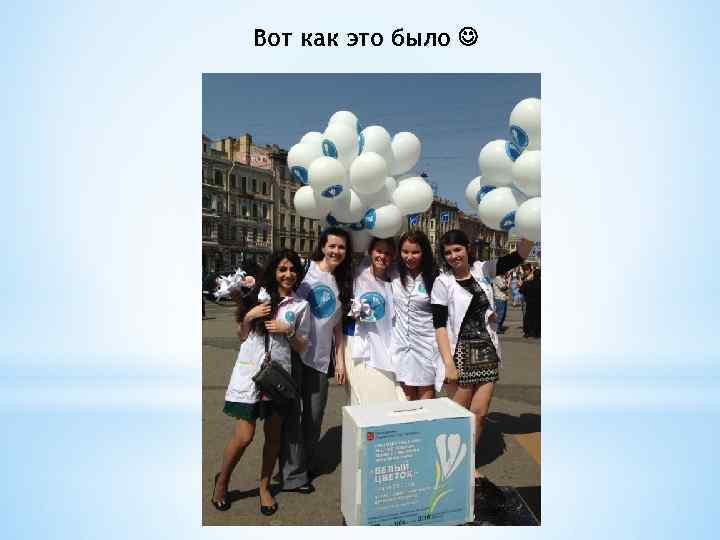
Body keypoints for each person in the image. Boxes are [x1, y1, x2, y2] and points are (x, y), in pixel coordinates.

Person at [431, 229, 534, 502]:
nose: (454, 256)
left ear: (467, 248)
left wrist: (531, 229)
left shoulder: (482, 269)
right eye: (448, 252)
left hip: (487, 351)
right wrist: (448, 363)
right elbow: (439, 326)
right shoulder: (443, 282)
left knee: (479, 413)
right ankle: (445, 466)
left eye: (458, 249)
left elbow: (519, 256)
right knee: (457, 415)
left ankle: (466, 463)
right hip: (460, 352)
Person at [211, 249, 311, 515]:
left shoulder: (300, 305)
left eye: (292, 269)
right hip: (250, 375)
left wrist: (288, 330)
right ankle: (222, 482)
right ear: (274, 271)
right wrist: (250, 315)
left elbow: (303, 347)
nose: (288, 274)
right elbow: (242, 335)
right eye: (282, 269)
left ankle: (264, 487)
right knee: (244, 436)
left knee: (273, 436)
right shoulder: (258, 295)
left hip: (276, 377)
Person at [279, 226, 354, 491]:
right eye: (332, 245)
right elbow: (279, 288)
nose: (336, 251)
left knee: (313, 417)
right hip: (291, 354)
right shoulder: (305, 269)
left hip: (320, 359)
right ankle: (292, 474)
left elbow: (337, 327)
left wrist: (339, 360)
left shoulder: (343, 282)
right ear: (322, 246)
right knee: (291, 417)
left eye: (341, 247)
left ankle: (305, 465)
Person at [345, 237, 406, 405]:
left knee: (388, 397)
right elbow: (346, 310)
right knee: (364, 398)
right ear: (371, 252)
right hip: (361, 348)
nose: (382, 256)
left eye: (387, 253)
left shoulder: (395, 281)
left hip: (385, 346)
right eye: (379, 251)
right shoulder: (357, 277)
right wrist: (353, 312)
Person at [390, 231, 442, 401]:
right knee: (406, 399)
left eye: (415, 252)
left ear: (424, 252)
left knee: (427, 399)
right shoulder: (393, 274)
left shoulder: (436, 277)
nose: (409, 257)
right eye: (405, 251)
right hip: (401, 346)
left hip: (427, 346)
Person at [520, 268, 541, 338]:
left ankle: (527, 332)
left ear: (533, 275)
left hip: (529, 303)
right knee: (538, 318)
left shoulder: (528, 283)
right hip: (538, 303)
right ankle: (536, 333)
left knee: (528, 317)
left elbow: (521, 290)